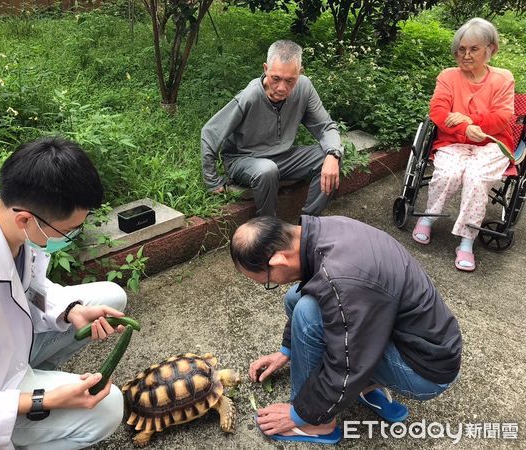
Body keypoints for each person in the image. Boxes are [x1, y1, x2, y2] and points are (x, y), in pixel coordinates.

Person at [0, 137, 129, 449]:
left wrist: (69, 310)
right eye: (67, 231)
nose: (70, 238)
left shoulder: (4, 212)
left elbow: (28, 289)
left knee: (111, 297)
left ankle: (41, 378)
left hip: (8, 354)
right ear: (24, 219)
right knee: (108, 407)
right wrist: (42, 400)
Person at [230, 215, 462, 444]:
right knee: (296, 297)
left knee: (308, 314)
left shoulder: (342, 280)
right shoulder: (320, 232)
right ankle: (363, 387)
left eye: (267, 282)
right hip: (410, 332)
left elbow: (347, 365)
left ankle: (317, 424)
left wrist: (298, 413)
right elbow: (316, 289)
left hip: (425, 371)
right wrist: (287, 350)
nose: (274, 284)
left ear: (280, 261)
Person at [412, 18, 515, 272]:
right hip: (454, 139)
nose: (465, 55)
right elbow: (438, 111)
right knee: (447, 173)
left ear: (490, 49)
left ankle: (466, 241)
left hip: (491, 142)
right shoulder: (448, 76)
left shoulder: (503, 79)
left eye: (473, 49)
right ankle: (429, 217)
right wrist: (463, 128)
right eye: (461, 49)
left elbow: (503, 117)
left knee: (476, 177)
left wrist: (471, 120)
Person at [201, 39, 343, 217]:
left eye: (290, 80)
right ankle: (268, 228)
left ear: (300, 73)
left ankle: (307, 224)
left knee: (331, 156)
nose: (282, 88)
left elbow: (326, 127)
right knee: (267, 170)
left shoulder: (304, 88)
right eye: (275, 78)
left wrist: (333, 155)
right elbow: (210, 132)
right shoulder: (250, 96)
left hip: (283, 157)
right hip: (244, 159)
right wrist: (212, 181)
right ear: (265, 69)